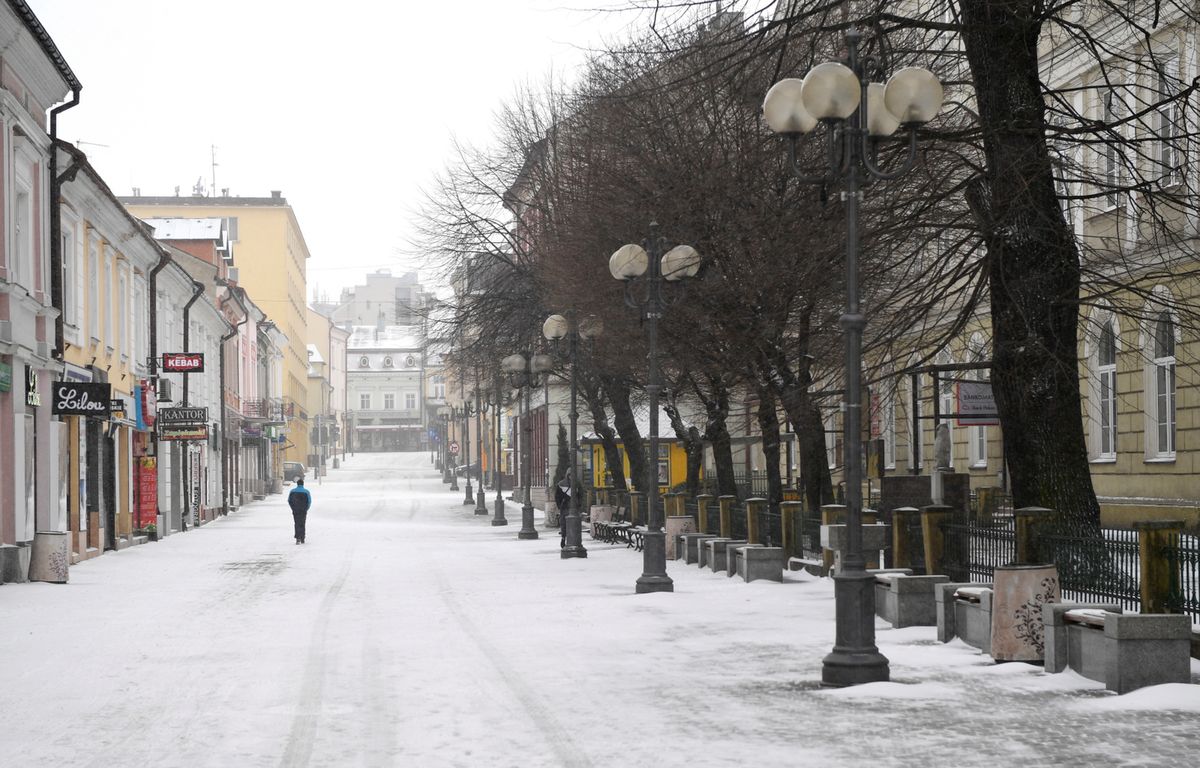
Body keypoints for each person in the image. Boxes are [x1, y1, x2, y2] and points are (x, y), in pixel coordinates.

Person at [288, 478, 312, 544]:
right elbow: (309, 501)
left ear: (297, 484)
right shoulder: (306, 492)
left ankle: (297, 538)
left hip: (295, 510)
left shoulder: (292, 491)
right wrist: (306, 508)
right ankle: (302, 538)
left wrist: (293, 508)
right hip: (303, 510)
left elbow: (289, 500)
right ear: (303, 484)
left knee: (296, 523)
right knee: (302, 523)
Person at [554, 476, 572, 548]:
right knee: (564, 524)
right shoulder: (561, 484)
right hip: (564, 507)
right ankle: (564, 538)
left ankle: (569, 539)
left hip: (571, 508)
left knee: (570, 524)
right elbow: (557, 496)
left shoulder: (576, 483)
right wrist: (560, 505)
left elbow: (580, 494)